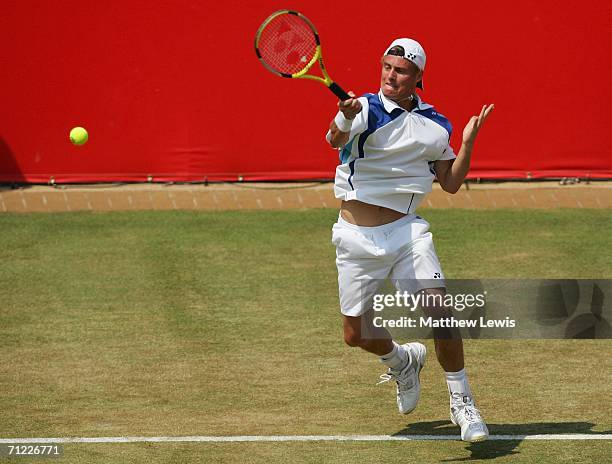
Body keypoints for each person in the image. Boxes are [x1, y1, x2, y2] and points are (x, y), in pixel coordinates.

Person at [326, 38, 494, 442]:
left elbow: (450, 182)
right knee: (355, 334)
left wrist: (467, 144)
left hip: (407, 233)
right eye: (386, 67)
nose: (390, 76)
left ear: (418, 77)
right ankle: (403, 361)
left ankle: (463, 403)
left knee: (440, 310)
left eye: (400, 70)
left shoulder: (436, 125)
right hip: (355, 236)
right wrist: (345, 118)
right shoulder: (362, 109)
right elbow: (333, 139)